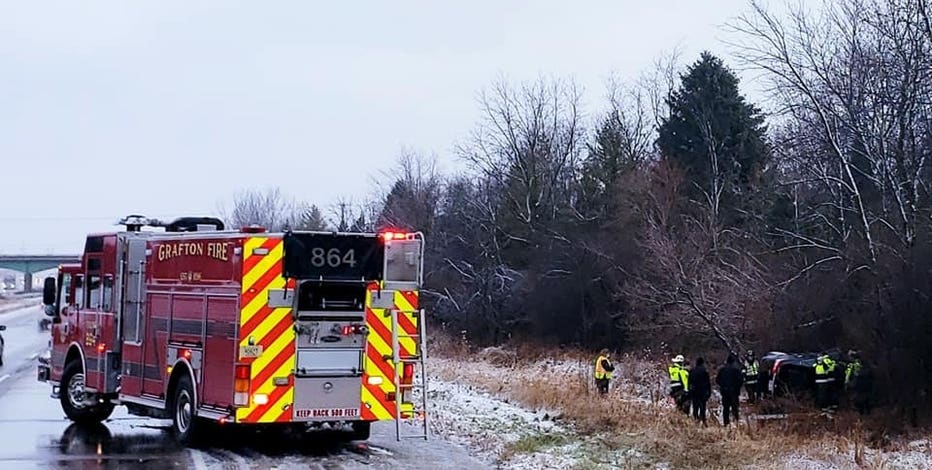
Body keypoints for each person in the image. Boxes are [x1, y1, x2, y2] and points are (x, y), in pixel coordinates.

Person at [716, 353, 743, 426]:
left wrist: (723, 386)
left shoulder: (722, 370)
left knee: (726, 408)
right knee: (735, 407)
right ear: (733, 361)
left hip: (725, 392)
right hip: (734, 392)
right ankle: (736, 421)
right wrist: (737, 387)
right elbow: (740, 380)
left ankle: (726, 423)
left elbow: (717, 380)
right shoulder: (736, 370)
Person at [689, 357, 711, 425]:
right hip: (702, 391)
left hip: (694, 391)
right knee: (702, 407)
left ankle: (695, 419)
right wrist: (709, 392)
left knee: (695, 406)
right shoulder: (705, 371)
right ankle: (703, 420)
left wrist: (690, 390)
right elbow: (708, 383)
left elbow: (689, 381)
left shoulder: (692, 371)